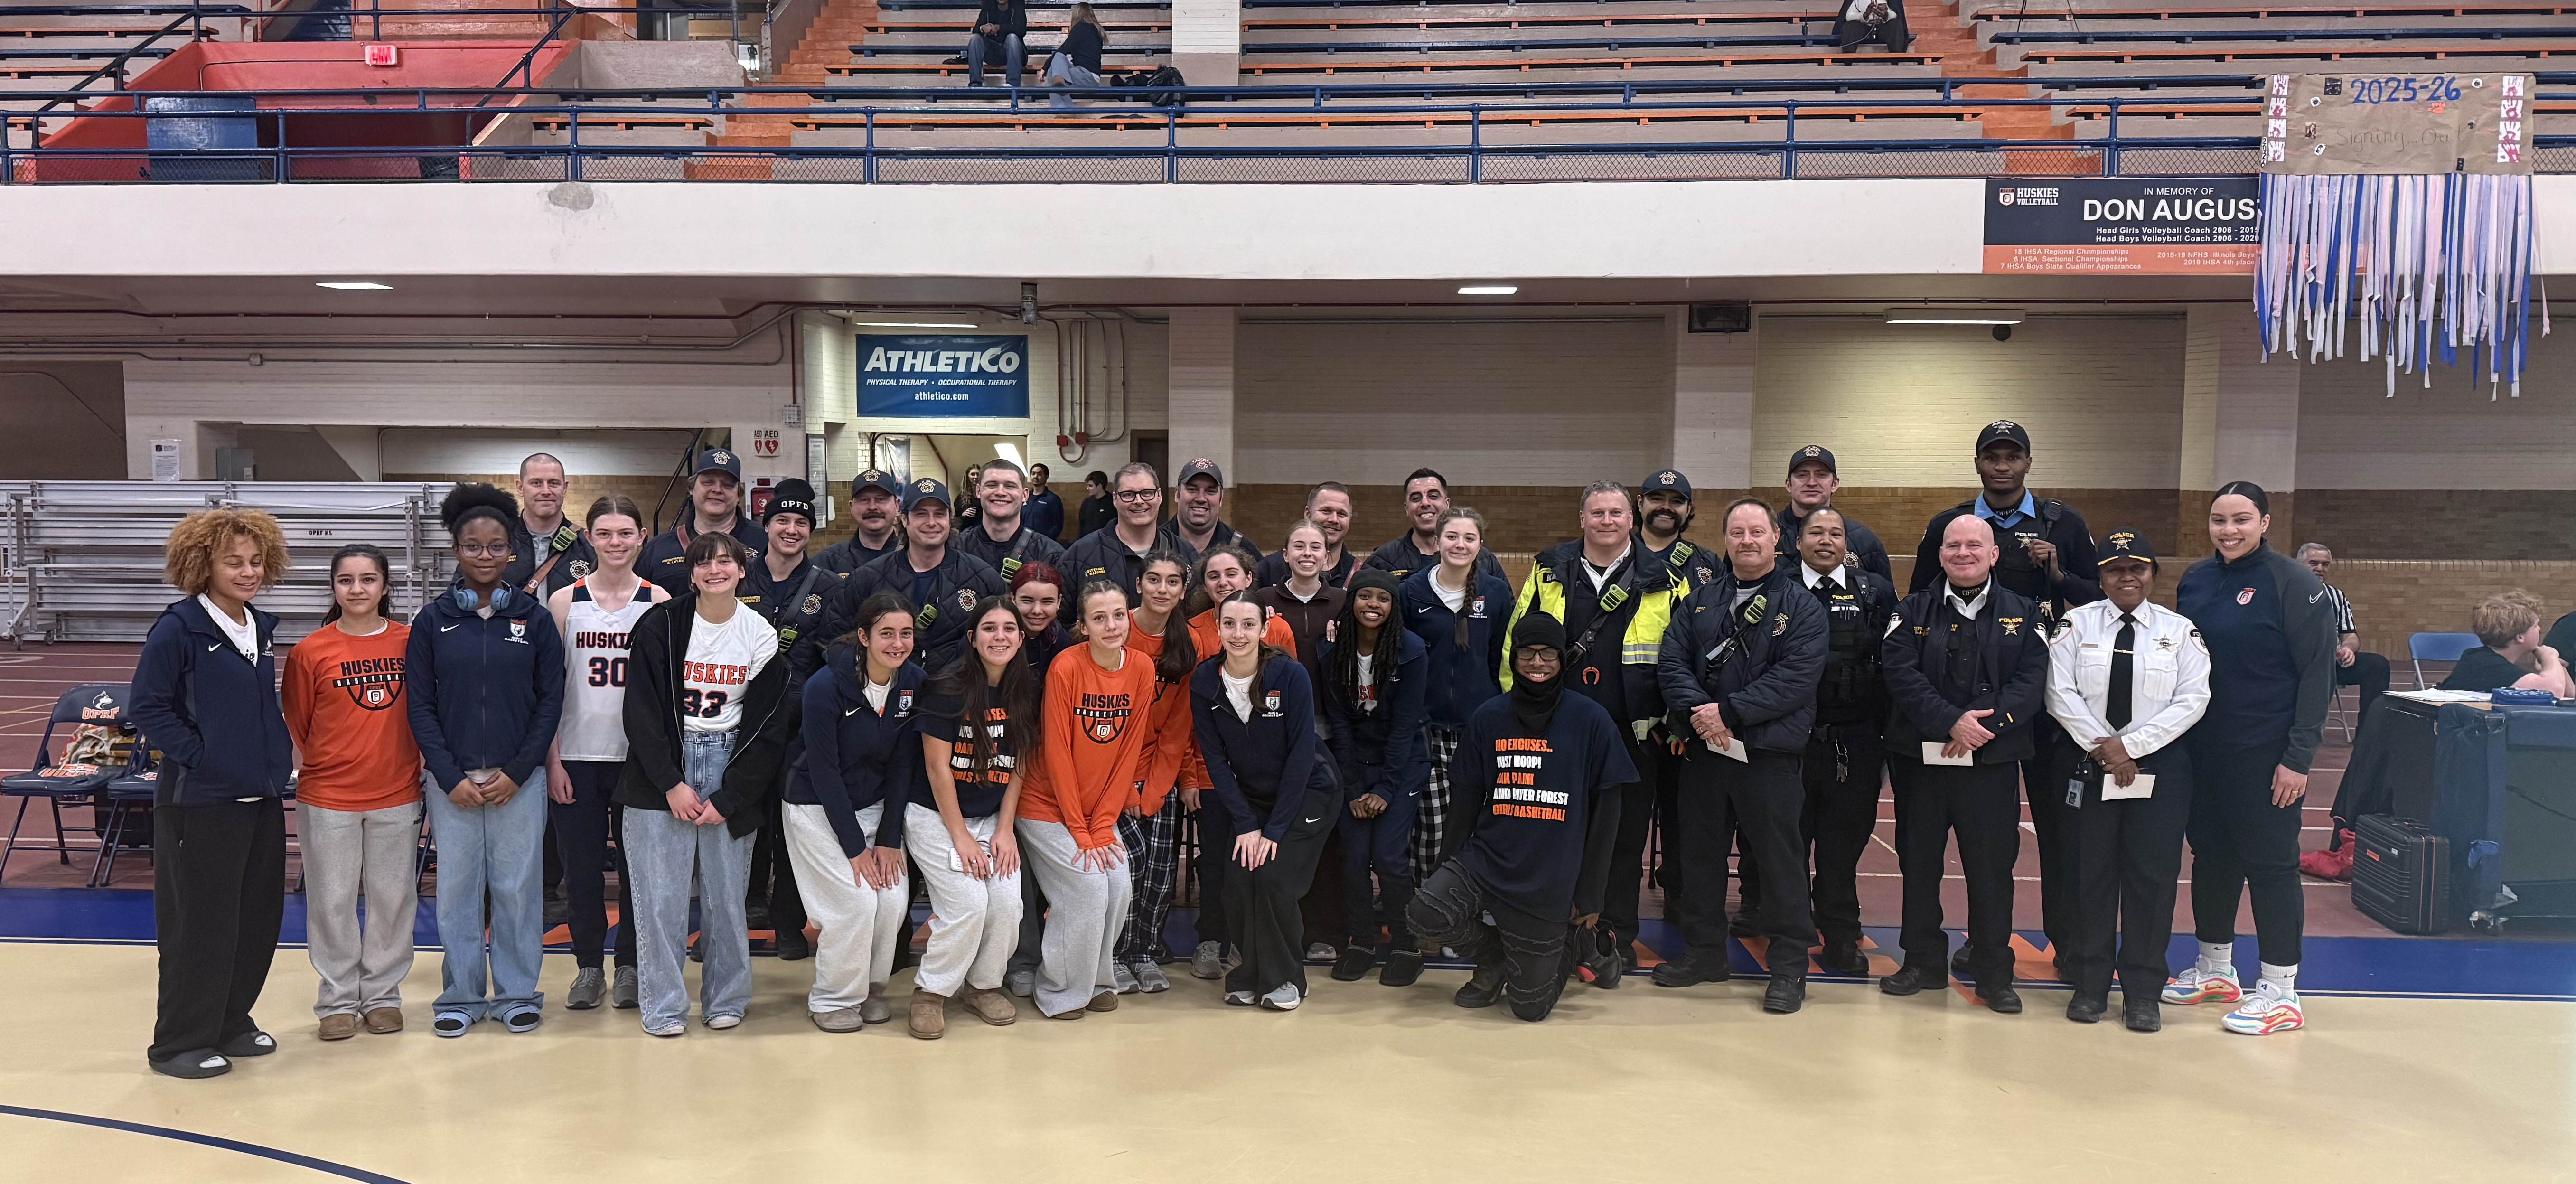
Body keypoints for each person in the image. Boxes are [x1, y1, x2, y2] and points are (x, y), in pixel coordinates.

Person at [1907, 420, 2098, 971]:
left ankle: (2070, 943)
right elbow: (1919, 601)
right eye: (1992, 456)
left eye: (2012, 456)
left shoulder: (2063, 523)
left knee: (2060, 829)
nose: (2002, 465)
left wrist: (2059, 575)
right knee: (1985, 839)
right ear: (1978, 464)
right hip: (1970, 711)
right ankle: (1985, 942)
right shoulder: (1950, 526)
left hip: (2046, 702)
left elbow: (2097, 599)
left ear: (2028, 463)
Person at [1406, 611, 1639, 1023]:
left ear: (1562, 658)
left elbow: (1608, 815)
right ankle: (1494, 957)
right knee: (1425, 912)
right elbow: (1465, 798)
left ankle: (1581, 944)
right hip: (1487, 859)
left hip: (1551, 875)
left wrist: (1591, 893)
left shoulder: (1591, 720)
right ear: (1513, 658)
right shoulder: (1489, 715)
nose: (1537, 663)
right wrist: (1446, 864)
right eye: (1526, 653)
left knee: (1529, 1008)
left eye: (1548, 653)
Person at [130, 508, 295, 1079]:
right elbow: (148, 706)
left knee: (254, 919)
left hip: (261, 798)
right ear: (203, 565)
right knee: (199, 926)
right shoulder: (179, 628)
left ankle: (230, 1021)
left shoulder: (259, 627)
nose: (248, 572)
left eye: (255, 561)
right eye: (234, 562)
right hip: (200, 803)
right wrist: (204, 758)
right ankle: (179, 1042)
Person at [1501, 479, 1692, 975]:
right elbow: (1515, 643)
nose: (1607, 521)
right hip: (1556, 731)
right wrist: (1518, 715)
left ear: (1632, 519)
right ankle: (1552, 932)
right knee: (1552, 835)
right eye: (1598, 513)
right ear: (1582, 519)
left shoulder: (1667, 578)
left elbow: (1686, 653)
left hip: (1636, 734)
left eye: (1616, 513)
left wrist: (1674, 720)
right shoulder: (1549, 568)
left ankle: (1613, 937)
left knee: (1623, 842)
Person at [2168, 482, 2333, 1037]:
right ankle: (2216, 969)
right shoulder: (2196, 580)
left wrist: (2298, 758)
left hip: (2266, 753)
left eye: (2241, 519)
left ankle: (2282, 991)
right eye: (2219, 520)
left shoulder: (2295, 583)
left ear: (2264, 522)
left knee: (2270, 865)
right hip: (2203, 749)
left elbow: (2317, 676)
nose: (2229, 530)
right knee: (2212, 856)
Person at [1649, 499, 1827, 1013]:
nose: (1747, 540)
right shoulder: (1700, 602)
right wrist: (1701, 715)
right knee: (1699, 857)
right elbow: (1671, 663)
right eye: (1737, 532)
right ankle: (1705, 952)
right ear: (1725, 540)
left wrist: (1727, 712)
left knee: (1779, 861)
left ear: (1777, 539)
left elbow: (1795, 679)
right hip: (1706, 753)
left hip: (1768, 755)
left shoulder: (1802, 607)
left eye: (1757, 532)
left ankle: (1789, 965)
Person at [616, 531, 793, 1037]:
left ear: (742, 570)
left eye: (725, 562)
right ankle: (664, 1007)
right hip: (661, 768)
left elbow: (769, 728)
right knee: (660, 901)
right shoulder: (662, 624)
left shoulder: (759, 634)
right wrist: (670, 783)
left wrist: (731, 796)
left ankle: (726, 998)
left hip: (727, 761)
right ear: (691, 573)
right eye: (704, 562)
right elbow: (641, 712)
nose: (715, 570)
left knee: (726, 900)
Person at [407, 484, 567, 1038]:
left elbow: (551, 701)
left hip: (517, 781)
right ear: (456, 550)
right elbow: (420, 706)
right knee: (457, 892)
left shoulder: (534, 619)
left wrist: (519, 771)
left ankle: (519, 992)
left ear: (510, 552)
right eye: (473, 546)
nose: (485, 555)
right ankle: (462, 995)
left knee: (518, 889)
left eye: (496, 546)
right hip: (451, 784)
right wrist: (448, 775)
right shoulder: (431, 622)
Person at [1877, 515, 2049, 1015]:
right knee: (1919, 864)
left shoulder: (2025, 613)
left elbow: (2032, 680)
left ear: (1993, 555)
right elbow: (1900, 674)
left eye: (1975, 545)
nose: (1963, 553)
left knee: (1991, 871)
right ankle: (1922, 962)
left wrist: (1983, 727)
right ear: (1941, 555)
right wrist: (1951, 721)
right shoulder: (1910, 610)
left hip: (1991, 764)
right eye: (1953, 545)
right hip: (1921, 764)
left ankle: (1994, 973)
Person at [2046, 529, 2210, 1033]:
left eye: (2137, 568)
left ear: (2153, 575)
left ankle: (2143, 992)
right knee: (2089, 877)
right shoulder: (2075, 625)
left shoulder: (2180, 632)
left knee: (2151, 881)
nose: (2127, 577)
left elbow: (2193, 699)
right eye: (2115, 569)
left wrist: (2131, 747)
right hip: (2090, 764)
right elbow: (2058, 692)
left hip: (2158, 770)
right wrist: (2106, 749)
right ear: (2100, 577)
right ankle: (2089, 984)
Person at [282, 544, 422, 1043]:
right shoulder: (310, 651)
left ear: (385, 587)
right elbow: (300, 723)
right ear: (333, 588)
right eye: (346, 580)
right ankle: (338, 1000)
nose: (357, 589)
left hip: (397, 792)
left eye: (368, 579)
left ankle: (382, 996)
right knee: (332, 900)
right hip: (328, 797)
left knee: (393, 898)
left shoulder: (411, 642)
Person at [544, 495, 666, 1013]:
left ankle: (631, 965)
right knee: (582, 872)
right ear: (589, 538)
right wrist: (552, 760)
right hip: (576, 755)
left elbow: (664, 693)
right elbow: (548, 689)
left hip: (638, 759)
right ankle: (589, 966)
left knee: (639, 872)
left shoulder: (658, 600)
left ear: (641, 538)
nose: (616, 542)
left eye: (625, 533)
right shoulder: (563, 601)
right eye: (605, 533)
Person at [1193, 591, 1340, 1010]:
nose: (1238, 634)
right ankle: (1249, 974)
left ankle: (1287, 979)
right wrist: (1246, 824)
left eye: (1248, 625)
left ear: (1263, 629)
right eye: (1229, 624)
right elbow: (1216, 761)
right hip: (1253, 800)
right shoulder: (1204, 681)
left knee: (1274, 879)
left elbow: (1300, 756)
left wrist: (1273, 830)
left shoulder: (1289, 675)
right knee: (1239, 878)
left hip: (1309, 793)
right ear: (1218, 627)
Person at [1020, 581, 1155, 1019]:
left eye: (1118, 615)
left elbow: (1129, 750)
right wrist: (1079, 829)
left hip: (1097, 810)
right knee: (1087, 887)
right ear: (1083, 626)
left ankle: (1095, 980)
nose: (1111, 626)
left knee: (1119, 885)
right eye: (1099, 618)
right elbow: (1057, 753)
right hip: (1045, 805)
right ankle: (1058, 990)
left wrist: (1101, 823)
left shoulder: (1141, 667)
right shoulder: (1066, 667)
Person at [786, 592, 919, 1033]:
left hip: (874, 805)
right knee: (857, 902)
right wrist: (854, 849)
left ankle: (868, 988)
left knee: (893, 900)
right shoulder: (824, 687)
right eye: (886, 634)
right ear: (864, 637)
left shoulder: (912, 682)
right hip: (815, 804)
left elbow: (903, 765)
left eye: (906, 633)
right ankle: (832, 999)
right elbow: (824, 773)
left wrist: (888, 839)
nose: (897, 643)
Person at [1169, 545, 1300, 979]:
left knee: (1258, 863)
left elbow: (1286, 707)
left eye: (1231, 574)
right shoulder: (1192, 633)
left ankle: (1250, 947)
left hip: (1264, 774)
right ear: (1204, 586)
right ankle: (1210, 939)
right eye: (1213, 576)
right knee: (1215, 862)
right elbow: (1188, 719)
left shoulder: (1277, 629)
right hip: (1212, 771)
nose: (1223, 582)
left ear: (1248, 578)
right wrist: (1189, 775)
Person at [908, 597, 1035, 1037]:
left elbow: (1020, 763)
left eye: (1008, 629)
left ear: (1021, 638)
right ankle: (931, 991)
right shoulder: (947, 688)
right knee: (968, 903)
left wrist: (1005, 828)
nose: (999, 637)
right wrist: (960, 837)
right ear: (972, 638)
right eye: (989, 628)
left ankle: (982, 987)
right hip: (935, 814)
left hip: (989, 817)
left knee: (1007, 904)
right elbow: (936, 768)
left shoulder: (1026, 690)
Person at [1785, 507, 1897, 976]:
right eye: (1815, 532)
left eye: (1835, 533)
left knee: (1842, 846)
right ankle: (1789, 935)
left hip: (1856, 740)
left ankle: (1840, 933)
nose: (1826, 540)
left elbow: (1894, 664)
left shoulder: (1876, 592)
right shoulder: (1778, 589)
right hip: (1791, 743)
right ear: (1798, 542)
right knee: (1788, 845)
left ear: (1847, 544)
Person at [1321, 567, 1429, 985]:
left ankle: (1405, 945)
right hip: (1355, 767)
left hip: (1402, 765)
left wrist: (1385, 787)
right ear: (1352, 602)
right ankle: (1362, 943)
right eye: (1365, 596)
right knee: (1353, 857)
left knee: (1388, 858)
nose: (1373, 605)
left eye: (1383, 599)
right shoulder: (1332, 652)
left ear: (1393, 607)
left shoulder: (1411, 651)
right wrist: (1352, 789)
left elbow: (1404, 727)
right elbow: (1340, 725)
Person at [743, 478, 831, 962]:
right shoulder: (738, 578)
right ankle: (737, 915)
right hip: (740, 728)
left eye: (801, 522)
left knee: (794, 829)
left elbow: (834, 662)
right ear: (767, 525)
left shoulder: (828, 588)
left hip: (800, 731)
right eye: (782, 520)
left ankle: (789, 922)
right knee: (740, 825)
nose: (791, 529)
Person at [1400, 507, 1513, 885]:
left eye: (1469, 538)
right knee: (1431, 828)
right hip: (1425, 729)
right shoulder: (1411, 591)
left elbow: (1501, 658)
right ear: (1437, 542)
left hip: (1477, 729)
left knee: (1475, 822)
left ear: (1480, 545)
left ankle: (1469, 903)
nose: (1459, 545)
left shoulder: (1495, 593)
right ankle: (1428, 903)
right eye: (1451, 537)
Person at [1108, 550, 1203, 992]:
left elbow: (1178, 727)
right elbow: (1110, 723)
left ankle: (1142, 953)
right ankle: (1113, 953)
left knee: (1161, 870)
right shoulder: (1118, 631)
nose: (1162, 589)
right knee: (1129, 864)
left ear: (1183, 591)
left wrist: (1156, 788)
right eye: (1153, 579)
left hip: (1158, 772)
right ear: (1139, 585)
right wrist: (1127, 788)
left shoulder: (1188, 642)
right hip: (1110, 771)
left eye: (1172, 582)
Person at [828, 478, 1006, 674]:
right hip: (890, 690)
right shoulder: (867, 578)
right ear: (905, 519)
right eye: (921, 514)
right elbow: (835, 637)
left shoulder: (983, 578)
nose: (932, 523)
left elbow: (1005, 638)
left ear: (950, 519)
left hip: (961, 689)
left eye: (939, 514)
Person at [639, 447, 767, 596]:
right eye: (708, 482)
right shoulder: (658, 550)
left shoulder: (765, 542)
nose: (717, 490)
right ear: (691, 489)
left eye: (727, 485)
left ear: (738, 494)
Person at [1063, 462, 1197, 601]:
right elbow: (1063, 614)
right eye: (1128, 495)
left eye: (1147, 493)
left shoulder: (1186, 553)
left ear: (1159, 496)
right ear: (1115, 499)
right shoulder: (1080, 555)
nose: (1139, 501)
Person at [1250, 518, 1349, 697]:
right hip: (1276, 702)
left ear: (1326, 557)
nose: (1307, 553)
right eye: (1299, 547)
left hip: (1328, 706)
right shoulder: (1264, 599)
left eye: (1316, 547)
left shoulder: (1343, 601)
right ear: (1286, 555)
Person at [2297, 544, 2390, 725]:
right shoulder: (2284, 593)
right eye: (2314, 563)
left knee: (2377, 665)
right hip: (2295, 664)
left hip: (2331, 663)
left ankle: (2369, 734)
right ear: (2299, 565)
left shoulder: (2337, 596)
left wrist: (2348, 649)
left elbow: (2350, 635)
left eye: (2325, 565)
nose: (2320, 569)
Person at [1367, 467, 1507, 584]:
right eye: (1416, 498)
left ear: (1447, 504)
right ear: (1407, 509)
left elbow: (1506, 606)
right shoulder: (1384, 561)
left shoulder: (1484, 560)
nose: (1425, 503)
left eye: (1433, 496)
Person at [1777, 446, 1892, 583]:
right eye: (1802, 475)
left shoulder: (1865, 541)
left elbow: (1884, 592)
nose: (1812, 483)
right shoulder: (1765, 535)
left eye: (1821, 475)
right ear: (1789, 484)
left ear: (1835, 484)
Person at [2437, 591, 2574, 697]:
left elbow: (2571, 695)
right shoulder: (2484, 664)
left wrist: (2556, 665)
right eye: (2535, 626)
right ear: (2520, 637)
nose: (2539, 629)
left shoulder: (2488, 660)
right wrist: (2550, 657)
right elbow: (2552, 692)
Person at [955, 458, 1070, 583]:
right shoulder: (956, 549)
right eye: (991, 485)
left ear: (1025, 495)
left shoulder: (1051, 555)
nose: (1000, 492)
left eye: (1010, 486)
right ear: (979, 491)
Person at [501, 451, 596, 599]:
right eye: (536, 483)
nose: (546, 491)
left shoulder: (590, 545)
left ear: (564, 488)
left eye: (554, 483)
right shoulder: (498, 542)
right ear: (520, 487)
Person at [1255, 482, 1360, 589]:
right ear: (1307, 514)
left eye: (1342, 514)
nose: (1334, 520)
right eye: (1327, 511)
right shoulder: (1267, 570)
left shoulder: (1359, 573)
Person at [1163, 458, 1261, 563]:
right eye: (1192, 490)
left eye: (1210, 491)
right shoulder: (1157, 543)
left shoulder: (1244, 551)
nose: (1201, 499)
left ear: (1221, 499)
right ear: (1177, 494)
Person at [815, 470, 906, 577]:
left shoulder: (915, 560)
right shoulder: (827, 563)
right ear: (851, 507)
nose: (872, 507)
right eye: (864, 500)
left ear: (897, 505)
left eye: (881, 499)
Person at [1011, 561, 1073, 681]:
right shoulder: (996, 636)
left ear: (1059, 602)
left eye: (1047, 602)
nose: (1037, 611)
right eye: (1027, 601)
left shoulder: (1061, 642)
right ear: (1013, 599)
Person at [1044, 4, 1105, 110]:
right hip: (1089, 77)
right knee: (1057, 66)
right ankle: (1065, 105)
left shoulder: (1081, 27)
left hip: (1086, 77)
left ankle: (1063, 110)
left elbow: (1064, 49)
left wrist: (1044, 68)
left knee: (1055, 65)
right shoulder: (1097, 30)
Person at [962, 0, 1027, 87]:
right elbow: (976, 30)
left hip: (1014, 53)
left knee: (1012, 38)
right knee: (975, 39)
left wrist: (999, 28)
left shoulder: (1018, 6)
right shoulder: (988, 8)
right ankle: (975, 84)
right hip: (995, 53)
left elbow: (1021, 30)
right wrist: (983, 28)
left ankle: (1013, 85)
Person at [1025, 462, 1067, 543]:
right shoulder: (1026, 498)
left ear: (1047, 477)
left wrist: (1046, 541)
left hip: (1043, 543)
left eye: (1039, 474)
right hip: (1025, 541)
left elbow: (1058, 525)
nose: (1036, 477)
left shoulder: (1053, 500)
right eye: (1033, 474)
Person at [1076, 470, 1114, 539]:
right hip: (1087, 540)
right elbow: (1082, 525)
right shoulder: (1087, 502)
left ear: (1099, 486)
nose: (1087, 488)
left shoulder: (1112, 503)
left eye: (1091, 486)